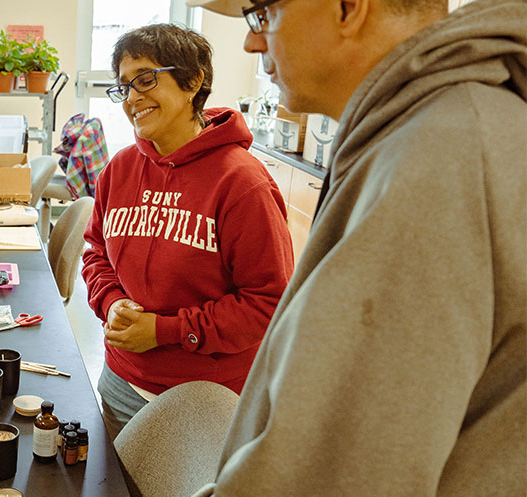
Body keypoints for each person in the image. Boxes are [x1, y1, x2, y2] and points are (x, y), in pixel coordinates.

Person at [181, 0, 526, 493]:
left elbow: (332, 474)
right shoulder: (435, 129)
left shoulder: (438, 160)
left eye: (262, 14)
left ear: (348, 8)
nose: (250, 41)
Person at [81, 24, 295, 440]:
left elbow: (266, 304)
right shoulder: (120, 170)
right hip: (120, 382)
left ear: (193, 81)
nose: (132, 98)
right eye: (124, 87)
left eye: (145, 79)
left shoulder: (242, 184)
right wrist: (111, 302)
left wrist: (165, 331)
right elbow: (96, 253)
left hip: (206, 400)